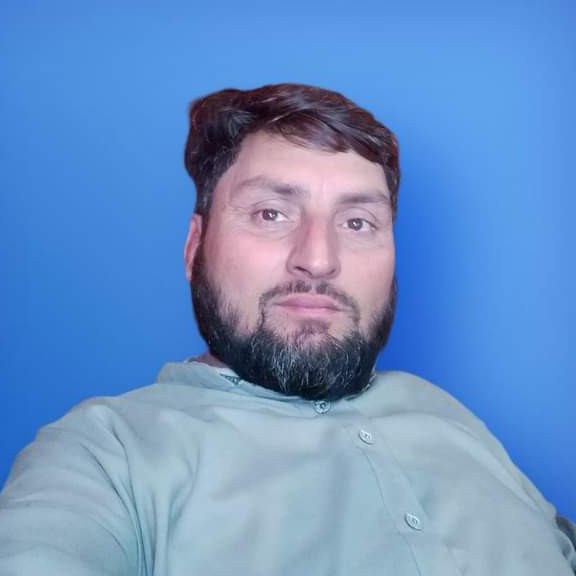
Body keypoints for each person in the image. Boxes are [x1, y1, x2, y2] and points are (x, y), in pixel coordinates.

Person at [0, 83, 574, 575]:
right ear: (196, 247)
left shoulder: (451, 417)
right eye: (271, 214)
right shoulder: (105, 455)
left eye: (358, 222)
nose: (318, 259)